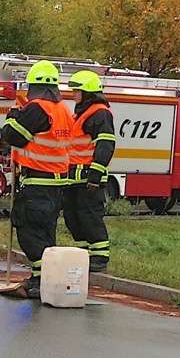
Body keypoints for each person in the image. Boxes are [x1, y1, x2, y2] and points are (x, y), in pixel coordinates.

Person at [0, 60, 76, 299]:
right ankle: (42, 279)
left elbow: (13, 136)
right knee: (45, 234)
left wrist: (12, 116)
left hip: (37, 182)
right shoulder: (63, 110)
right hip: (55, 184)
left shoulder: (38, 108)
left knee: (30, 233)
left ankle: (41, 281)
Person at [62, 70, 117, 272]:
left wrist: (95, 174)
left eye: (77, 91)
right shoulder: (81, 114)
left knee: (90, 216)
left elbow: (105, 145)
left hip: (89, 177)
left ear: (88, 93)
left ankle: (100, 257)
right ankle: (84, 254)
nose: (74, 94)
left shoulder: (99, 113)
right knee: (72, 216)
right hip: (75, 177)